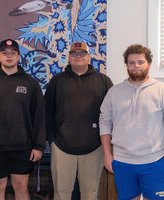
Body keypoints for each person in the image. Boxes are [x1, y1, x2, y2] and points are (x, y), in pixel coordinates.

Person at [0, 39, 46, 200]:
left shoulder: (31, 84)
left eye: (13, 53)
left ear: (19, 56)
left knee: (21, 187)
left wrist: (39, 146)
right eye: (5, 53)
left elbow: (40, 117)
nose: (9, 56)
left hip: (23, 147)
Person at [45, 41, 113, 200]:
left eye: (82, 54)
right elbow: (47, 112)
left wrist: (108, 143)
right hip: (61, 148)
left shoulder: (104, 81)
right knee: (61, 194)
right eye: (74, 54)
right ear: (68, 58)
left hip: (94, 149)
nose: (78, 57)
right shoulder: (57, 81)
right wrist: (52, 140)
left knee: (90, 195)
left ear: (89, 57)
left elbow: (111, 114)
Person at [100, 44, 164, 200]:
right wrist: (106, 154)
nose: (136, 66)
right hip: (123, 162)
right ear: (126, 65)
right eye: (131, 62)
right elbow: (104, 122)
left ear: (149, 64)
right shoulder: (114, 92)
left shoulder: (162, 90)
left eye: (140, 62)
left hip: (155, 161)